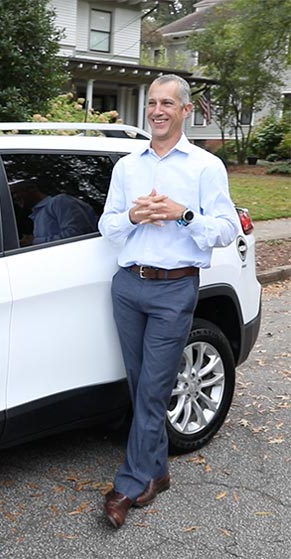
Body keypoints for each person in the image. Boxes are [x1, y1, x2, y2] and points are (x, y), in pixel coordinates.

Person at [98, 74, 239, 529]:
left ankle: (130, 481)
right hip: (128, 285)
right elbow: (107, 227)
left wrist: (183, 214)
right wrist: (134, 215)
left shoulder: (204, 167)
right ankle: (158, 471)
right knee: (140, 384)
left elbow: (225, 230)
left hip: (174, 288)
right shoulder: (127, 166)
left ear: (184, 111)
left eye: (167, 104)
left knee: (154, 389)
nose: (157, 110)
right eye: (153, 103)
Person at [10, 180, 98, 245]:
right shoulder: (38, 215)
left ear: (32, 188)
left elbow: (78, 235)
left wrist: (34, 241)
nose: (14, 198)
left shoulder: (60, 202)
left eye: (15, 192)